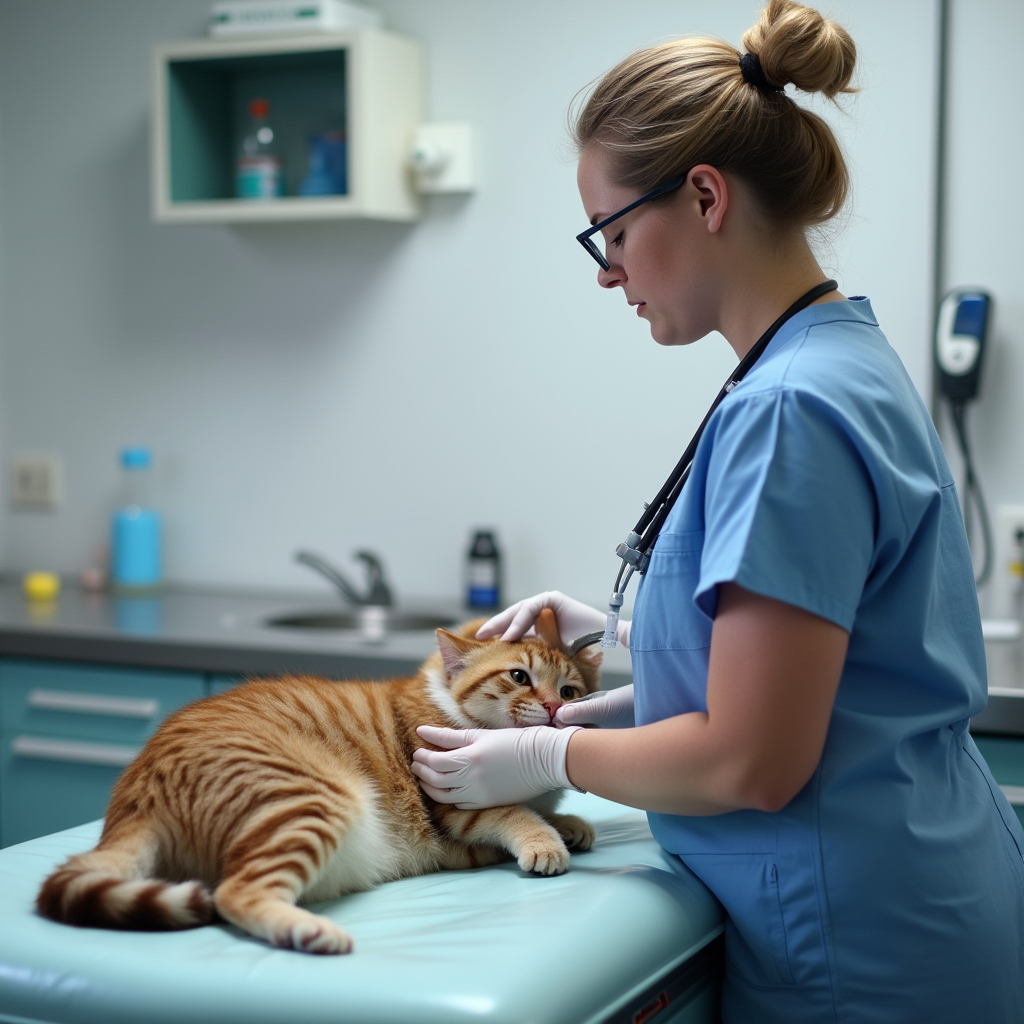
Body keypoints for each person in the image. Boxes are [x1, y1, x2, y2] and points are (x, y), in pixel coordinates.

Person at [411, 2, 1024, 1020]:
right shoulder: (833, 359)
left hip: (861, 951)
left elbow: (752, 756)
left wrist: (542, 753)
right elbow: (824, 665)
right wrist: (631, 638)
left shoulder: (789, 406)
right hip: (915, 888)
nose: (606, 272)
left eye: (609, 233)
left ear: (702, 196)